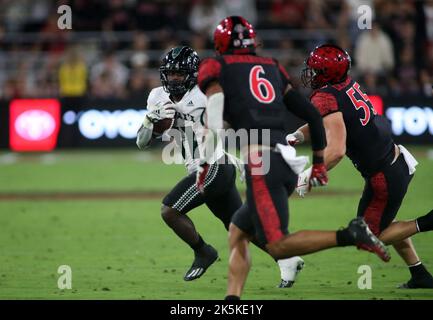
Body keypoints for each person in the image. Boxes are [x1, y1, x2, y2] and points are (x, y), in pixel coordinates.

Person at [196, 16, 390, 300]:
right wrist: (319, 161)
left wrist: (205, 162)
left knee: (277, 245)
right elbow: (311, 115)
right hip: (285, 160)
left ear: (221, 43)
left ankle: (350, 234)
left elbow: (214, 114)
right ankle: (232, 300)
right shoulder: (272, 66)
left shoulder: (216, 66)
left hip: (262, 162)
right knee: (238, 232)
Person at [136, 46, 304, 285]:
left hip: (214, 166)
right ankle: (286, 258)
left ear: (193, 74)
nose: (173, 78)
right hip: (205, 168)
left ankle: (203, 251)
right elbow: (142, 142)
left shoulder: (206, 94)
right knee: (238, 224)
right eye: (170, 73)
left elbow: (231, 124)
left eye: (179, 74)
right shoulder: (156, 96)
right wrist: (150, 119)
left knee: (170, 210)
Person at [288, 44, 433, 289]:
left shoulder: (325, 95)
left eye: (315, 69)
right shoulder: (345, 85)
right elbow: (328, 121)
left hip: (383, 176)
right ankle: (420, 275)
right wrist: (298, 136)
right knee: (385, 223)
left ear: (326, 72)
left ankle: (428, 222)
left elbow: (336, 150)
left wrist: (308, 175)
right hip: (393, 162)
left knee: (367, 235)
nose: (310, 74)